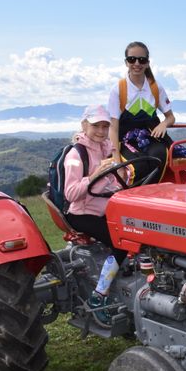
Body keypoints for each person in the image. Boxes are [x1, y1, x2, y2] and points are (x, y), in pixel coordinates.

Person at [64, 104, 126, 328]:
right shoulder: (75, 154)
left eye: (105, 126)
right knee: (122, 243)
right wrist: (94, 175)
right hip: (82, 213)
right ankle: (98, 296)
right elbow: (70, 193)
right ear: (84, 125)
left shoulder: (107, 147)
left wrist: (122, 171)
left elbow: (116, 182)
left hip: (107, 207)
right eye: (96, 126)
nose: (100, 131)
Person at [108, 41, 175, 186]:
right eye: (132, 59)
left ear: (147, 63)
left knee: (159, 156)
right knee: (139, 164)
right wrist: (116, 162)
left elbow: (170, 117)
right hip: (125, 140)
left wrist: (164, 124)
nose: (137, 63)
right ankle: (137, 198)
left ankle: (152, 194)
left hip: (151, 136)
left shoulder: (155, 87)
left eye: (142, 60)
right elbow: (113, 128)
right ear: (126, 62)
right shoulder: (118, 89)